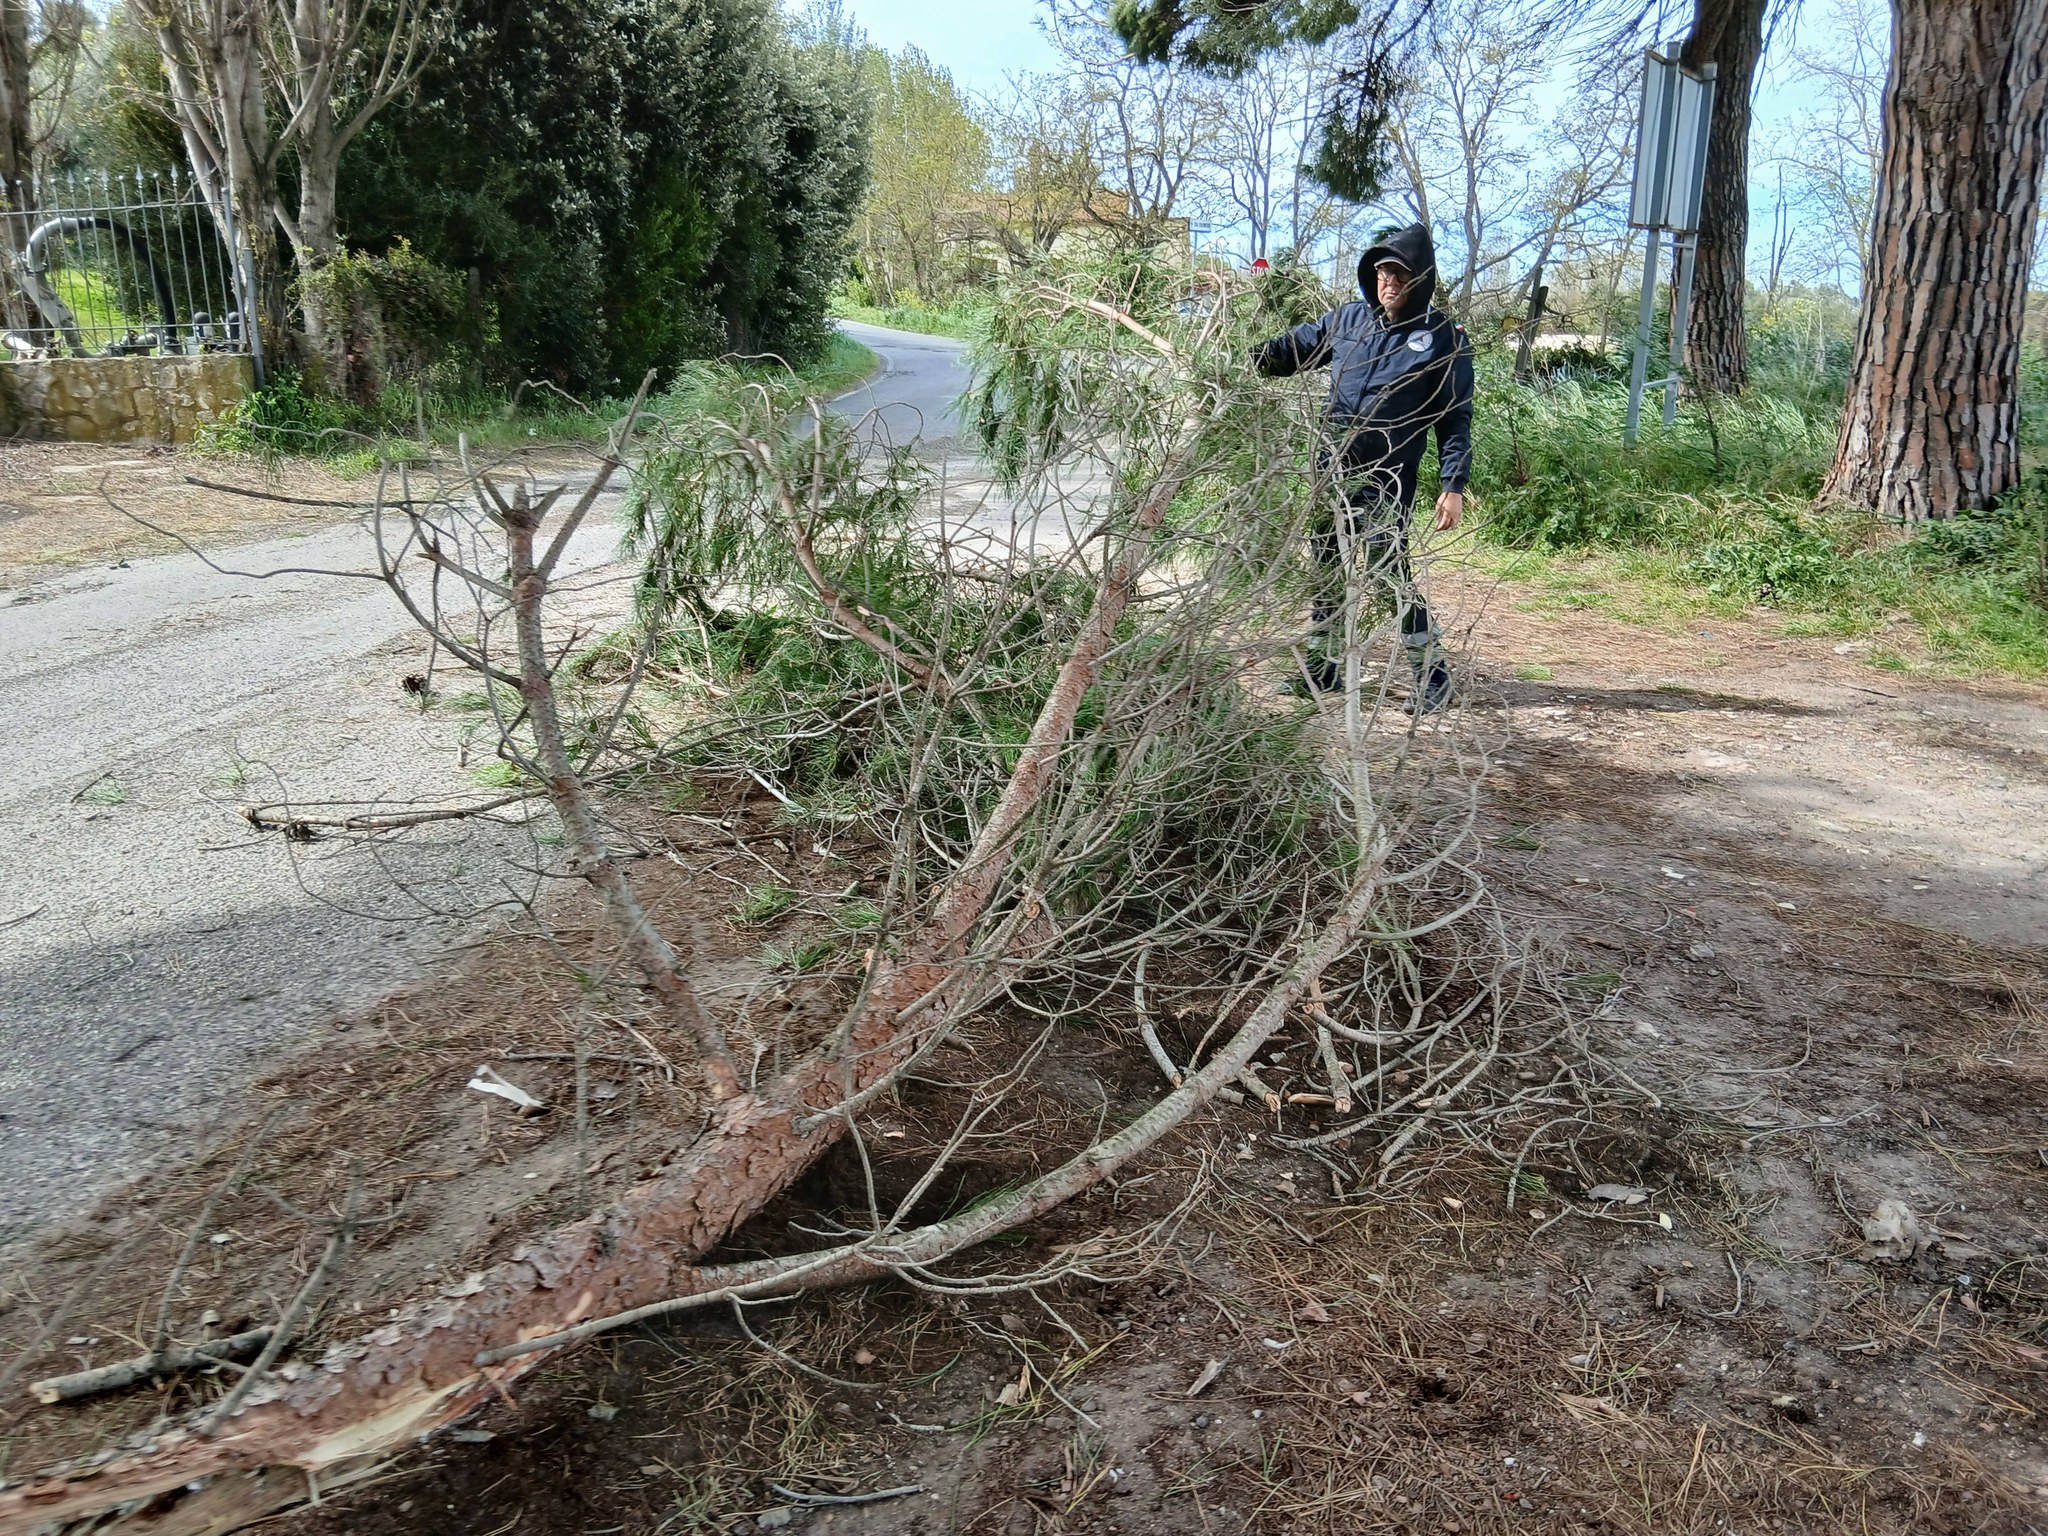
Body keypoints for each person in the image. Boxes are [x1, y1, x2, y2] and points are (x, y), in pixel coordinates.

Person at [1251, 223, 1474, 709]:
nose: (1388, 282)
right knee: (1327, 567)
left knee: (1389, 570)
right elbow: (1289, 352)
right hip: (1331, 471)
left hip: (1388, 478)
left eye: (1398, 273)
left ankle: (1434, 678)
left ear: (1422, 280)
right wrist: (1233, 362)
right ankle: (1322, 670)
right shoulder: (1348, 320)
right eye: (1381, 273)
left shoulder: (1442, 339)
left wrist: (1453, 482)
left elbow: (1455, 418)